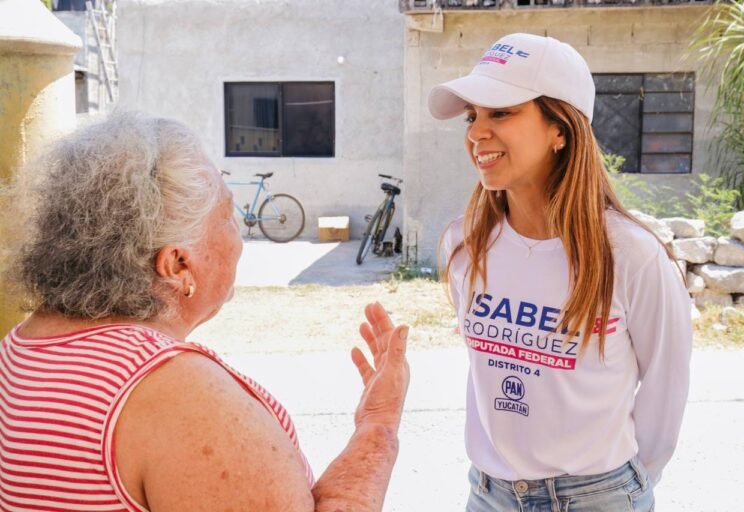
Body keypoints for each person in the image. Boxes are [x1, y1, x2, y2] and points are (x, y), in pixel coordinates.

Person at [0, 112, 409, 512]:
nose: (240, 239)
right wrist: (379, 425)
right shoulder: (178, 396)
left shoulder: (18, 349)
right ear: (177, 265)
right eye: (228, 216)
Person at [430, 33, 692, 511]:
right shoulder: (465, 245)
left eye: (500, 113)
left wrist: (623, 488)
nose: (476, 133)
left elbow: (665, 386)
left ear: (561, 129)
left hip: (598, 497)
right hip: (489, 495)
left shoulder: (630, 255)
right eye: (472, 116)